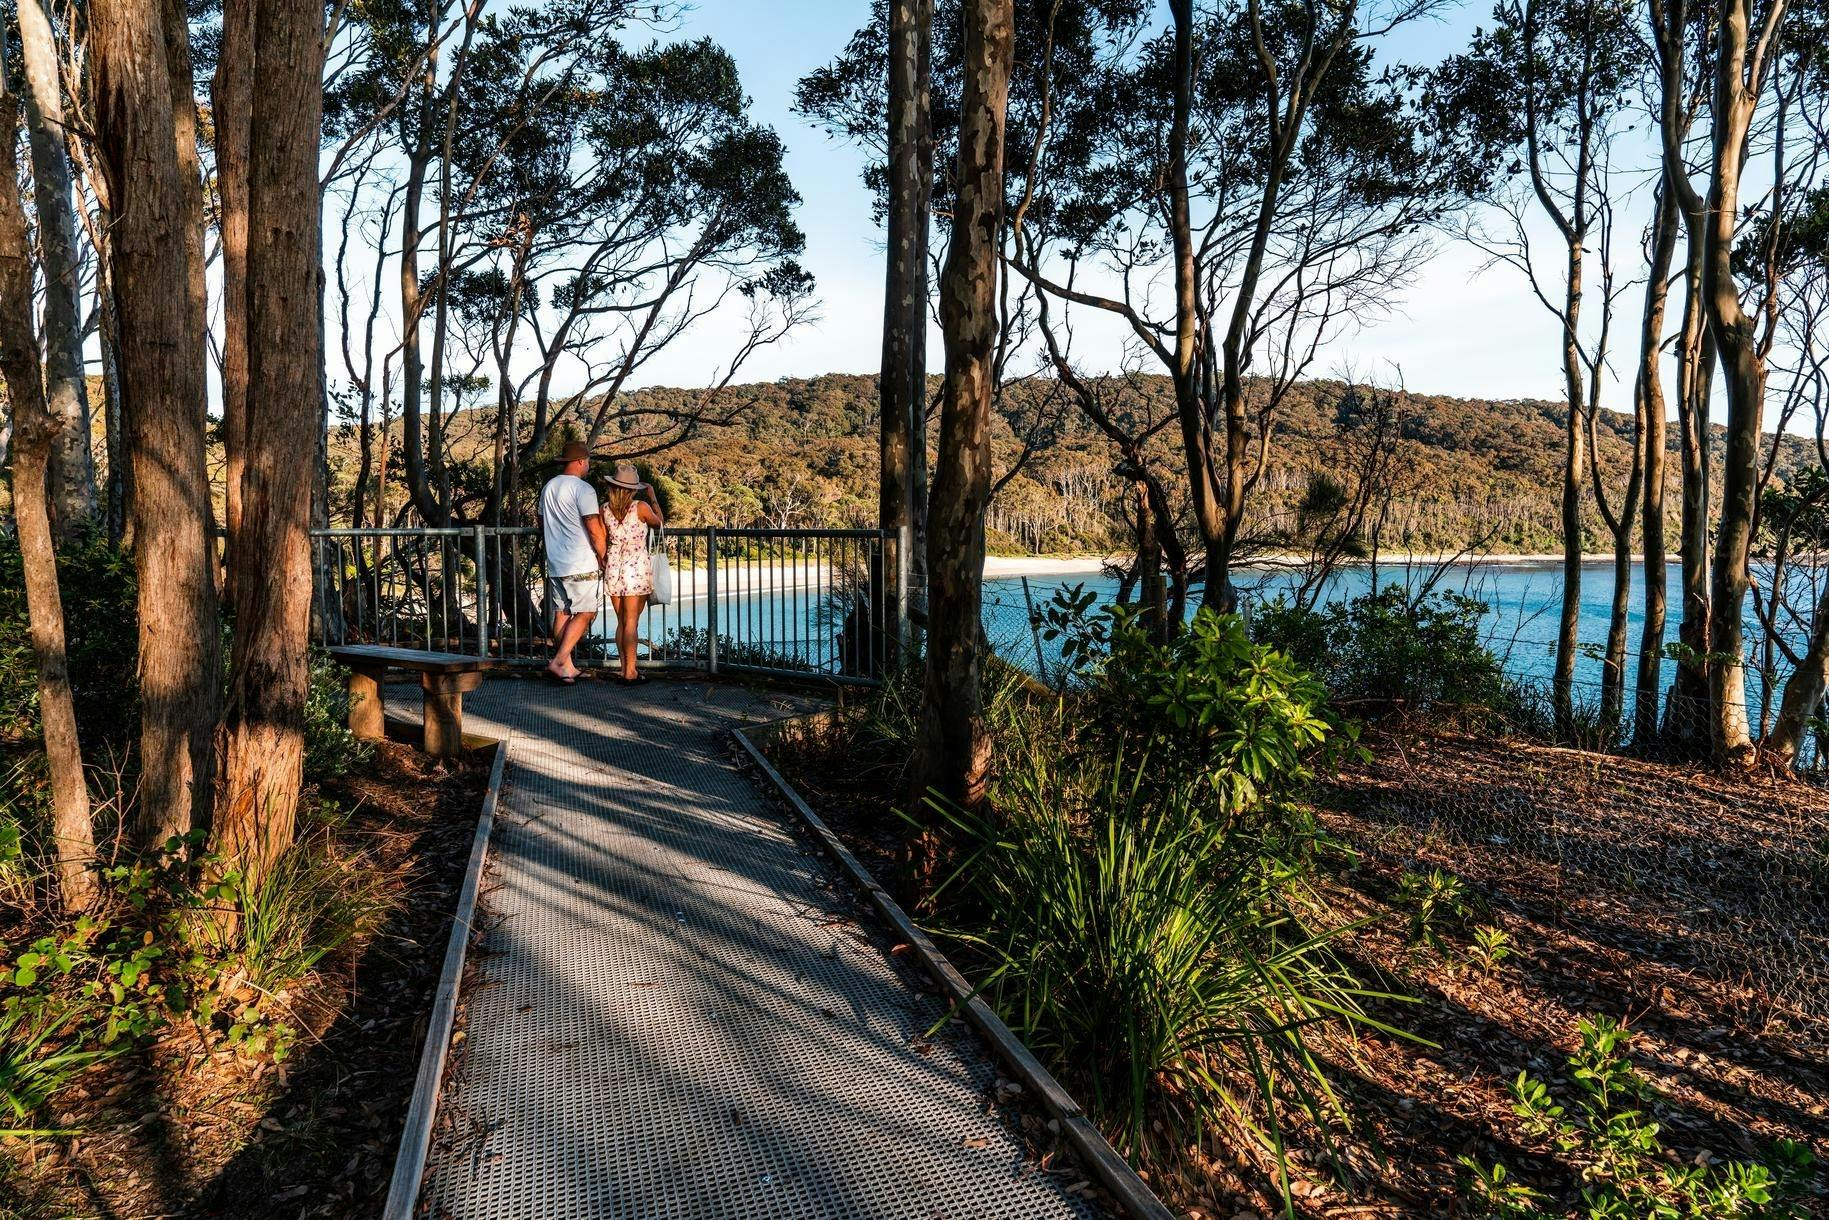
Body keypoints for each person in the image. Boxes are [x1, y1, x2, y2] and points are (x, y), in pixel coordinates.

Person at [536, 440, 607, 684]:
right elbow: (594, 527)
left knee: (562, 613)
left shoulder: (549, 487)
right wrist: (603, 555)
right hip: (580, 561)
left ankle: (566, 667)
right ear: (579, 462)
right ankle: (559, 660)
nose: (588, 465)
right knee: (586, 612)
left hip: (556, 561)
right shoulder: (583, 489)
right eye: (587, 461)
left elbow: (541, 522)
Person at [599, 460, 664, 684]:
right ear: (632, 489)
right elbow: (660, 523)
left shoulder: (604, 509)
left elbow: (601, 538)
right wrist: (653, 496)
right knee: (632, 623)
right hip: (636, 568)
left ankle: (624, 668)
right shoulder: (641, 507)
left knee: (621, 622)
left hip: (614, 567)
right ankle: (630, 672)